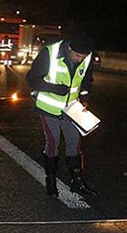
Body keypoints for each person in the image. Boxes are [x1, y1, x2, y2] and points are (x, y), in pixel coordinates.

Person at [26, 32, 98, 197]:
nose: (80, 59)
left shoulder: (87, 57)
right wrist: (52, 87)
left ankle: (77, 182)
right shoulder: (49, 54)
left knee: (75, 142)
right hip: (48, 108)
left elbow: (87, 81)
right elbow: (31, 79)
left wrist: (85, 98)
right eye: (77, 56)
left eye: (83, 56)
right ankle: (51, 182)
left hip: (71, 110)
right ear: (69, 48)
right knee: (53, 143)